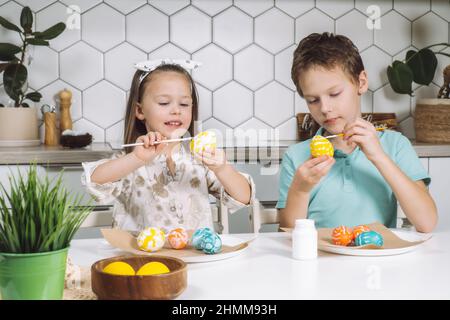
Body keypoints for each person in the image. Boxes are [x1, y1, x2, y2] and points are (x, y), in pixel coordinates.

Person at [277, 33, 437, 233]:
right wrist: (300, 189)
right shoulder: (297, 157)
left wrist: (378, 156)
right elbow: (288, 234)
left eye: (334, 94)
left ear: (361, 83)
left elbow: (427, 222)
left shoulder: (395, 145)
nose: (325, 108)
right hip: (321, 262)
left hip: (377, 260)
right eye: (313, 100)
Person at [81, 59, 254, 233]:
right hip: (141, 258)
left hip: (193, 256)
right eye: (164, 103)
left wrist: (223, 168)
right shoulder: (131, 159)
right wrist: (136, 158)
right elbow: (94, 180)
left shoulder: (199, 158)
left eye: (184, 104)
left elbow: (244, 197)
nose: (176, 111)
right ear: (140, 111)